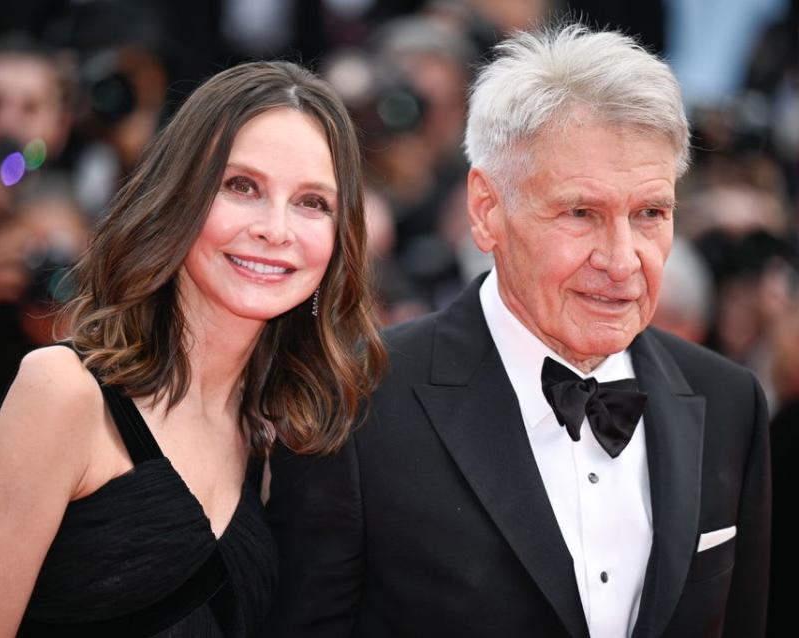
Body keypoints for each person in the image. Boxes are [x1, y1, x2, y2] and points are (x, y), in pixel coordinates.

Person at [265, 24, 770, 638]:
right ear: (487, 210)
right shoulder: (356, 403)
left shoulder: (729, 402)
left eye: (650, 214)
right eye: (580, 213)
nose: (622, 259)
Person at [0, 60, 386, 636]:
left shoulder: (274, 437)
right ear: (181, 197)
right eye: (241, 186)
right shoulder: (64, 394)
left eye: (312, 202)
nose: (276, 228)